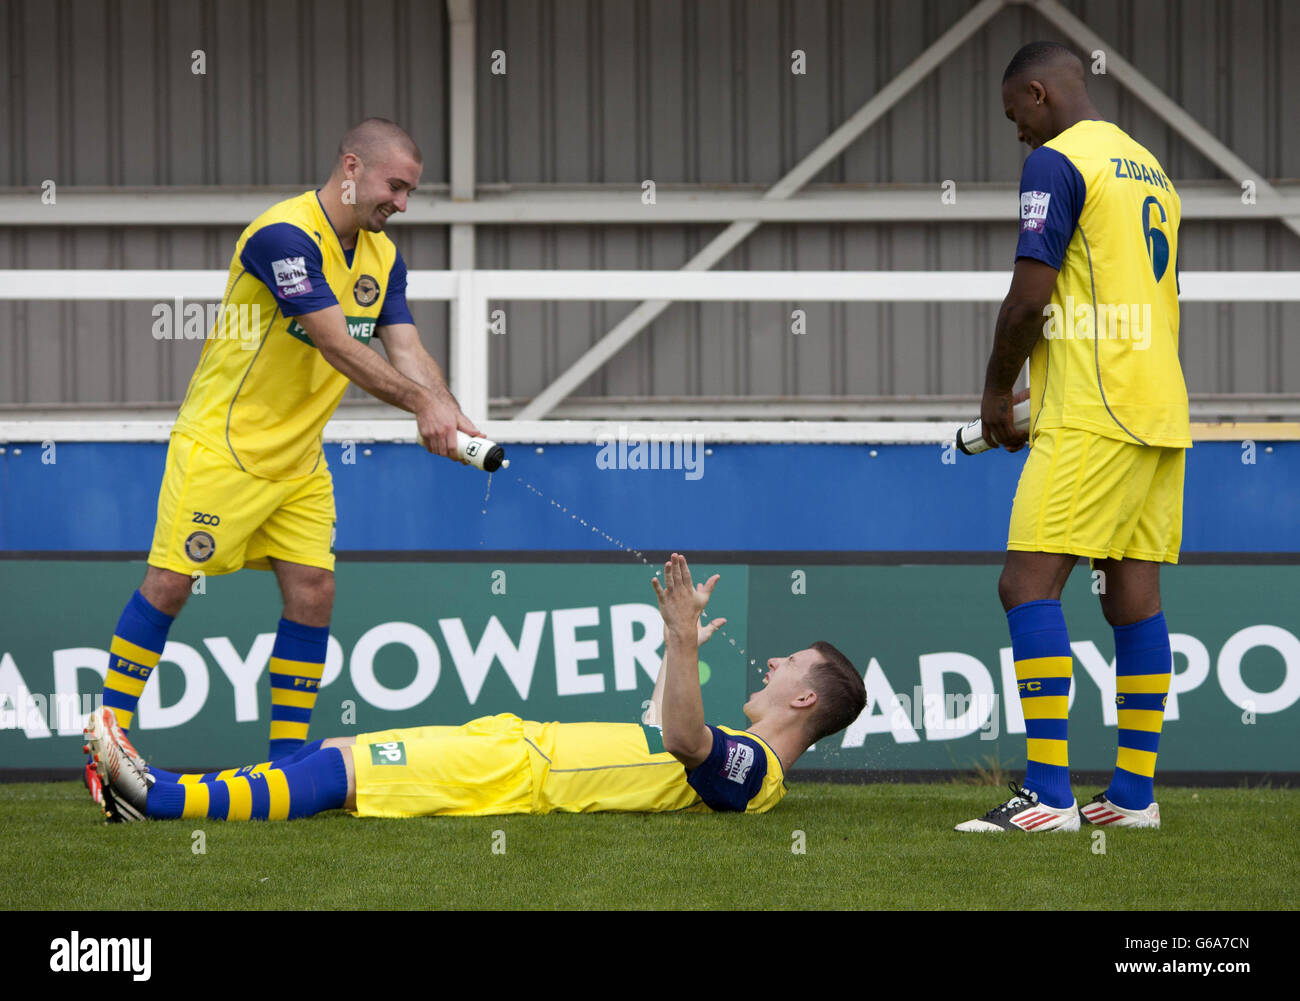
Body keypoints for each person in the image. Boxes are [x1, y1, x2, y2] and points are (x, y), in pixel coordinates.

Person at [85, 119, 482, 803]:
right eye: (396, 187)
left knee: (314, 590)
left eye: (412, 192)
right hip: (222, 447)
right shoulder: (283, 237)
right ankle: (103, 750)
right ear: (352, 167)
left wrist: (449, 408)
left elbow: (406, 348)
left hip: (300, 461)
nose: (403, 204)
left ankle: (287, 765)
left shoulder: (384, 258)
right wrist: (421, 405)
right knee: (170, 584)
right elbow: (334, 343)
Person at [85, 555, 866, 822]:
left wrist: (687, 643)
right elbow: (667, 727)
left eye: (787, 665)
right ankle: (148, 789)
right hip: (512, 744)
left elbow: (685, 741)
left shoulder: (758, 774)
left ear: (806, 700)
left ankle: (158, 797)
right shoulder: (745, 762)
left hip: (516, 773)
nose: (770, 666)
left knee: (341, 773)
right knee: (337, 754)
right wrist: (675, 639)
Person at [958, 42, 1189, 832]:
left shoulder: (1058, 163)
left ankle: (1049, 795)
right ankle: (1132, 796)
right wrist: (1046, 378)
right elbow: (1124, 299)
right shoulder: (1149, 168)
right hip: (1160, 409)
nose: (1017, 132)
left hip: (1095, 412)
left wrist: (996, 389)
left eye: (1014, 115)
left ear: (1036, 93)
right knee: (1134, 597)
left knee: (1025, 584)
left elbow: (1030, 299)